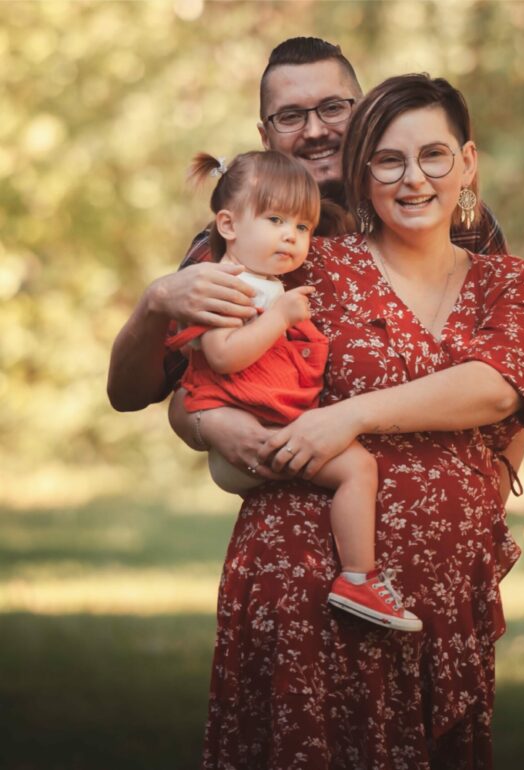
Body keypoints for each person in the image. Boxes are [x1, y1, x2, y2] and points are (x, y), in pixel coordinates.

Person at [169, 73, 524, 769]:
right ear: (360, 170)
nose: (414, 178)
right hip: (304, 589)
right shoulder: (306, 263)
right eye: (388, 159)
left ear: (467, 163)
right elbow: (202, 376)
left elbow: (504, 386)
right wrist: (206, 424)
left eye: (434, 155)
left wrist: (348, 419)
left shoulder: (506, 280)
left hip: (441, 595)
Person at [107, 35, 524, 499]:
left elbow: (512, 369)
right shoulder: (248, 248)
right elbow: (152, 391)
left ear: (364, 115)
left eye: (333, 107)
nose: (314, 130)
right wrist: (156, 305)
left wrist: (488, 501)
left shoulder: (445, 214)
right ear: (265, 137)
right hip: (305, 518)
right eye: (290, 116)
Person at [169, 149, 421, 633]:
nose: (291, 234)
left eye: (303, 227)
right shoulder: (223, 285)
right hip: (247, 431)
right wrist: (280, 318)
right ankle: (359, 578)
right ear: (228, 225)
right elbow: (221, 355)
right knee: (358, 468)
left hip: (263, 422)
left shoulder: (261, 282)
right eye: (275, 219)